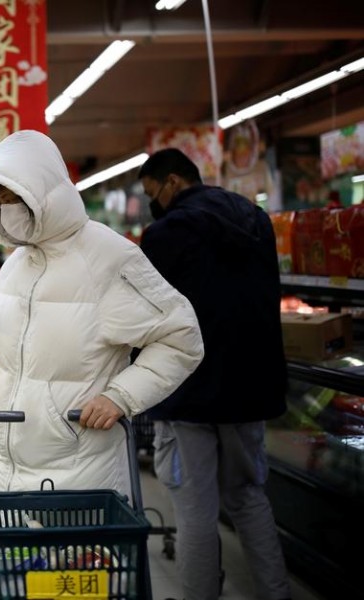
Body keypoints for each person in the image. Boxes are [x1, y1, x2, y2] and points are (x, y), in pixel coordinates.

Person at [0, 129, 204, 504]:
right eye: (1, 202)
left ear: (44, 193)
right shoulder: (16, 264)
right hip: (3, 465)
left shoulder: (109, 256)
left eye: (15, 198)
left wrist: (120, 396)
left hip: (78, 470)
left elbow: (182, 337)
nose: (9, 211)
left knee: (73, 564)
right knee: (14, 563)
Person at [137, 148, 290, 600]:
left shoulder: (165, 235)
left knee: (195, 509)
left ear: (172, 183)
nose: (153, 202)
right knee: (247, 495)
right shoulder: (256, 220)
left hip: (189, 391)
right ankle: (276, 594)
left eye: (152, 193)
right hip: (252, 387)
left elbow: (148, 315)